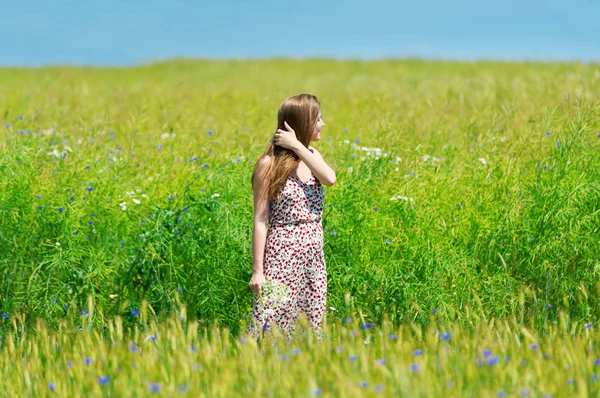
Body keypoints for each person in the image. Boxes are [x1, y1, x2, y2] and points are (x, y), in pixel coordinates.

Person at [246, 93, 336, 341]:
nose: (322, 124)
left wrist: (297, 146)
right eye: (318, 119)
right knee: (270, 321)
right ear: (303, 123)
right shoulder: (269, 164)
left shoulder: (312, 156)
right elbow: (260, 220)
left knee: (309, 323)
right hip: (282, 253)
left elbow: (330, 179)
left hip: (313, 257)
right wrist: (258, 271)